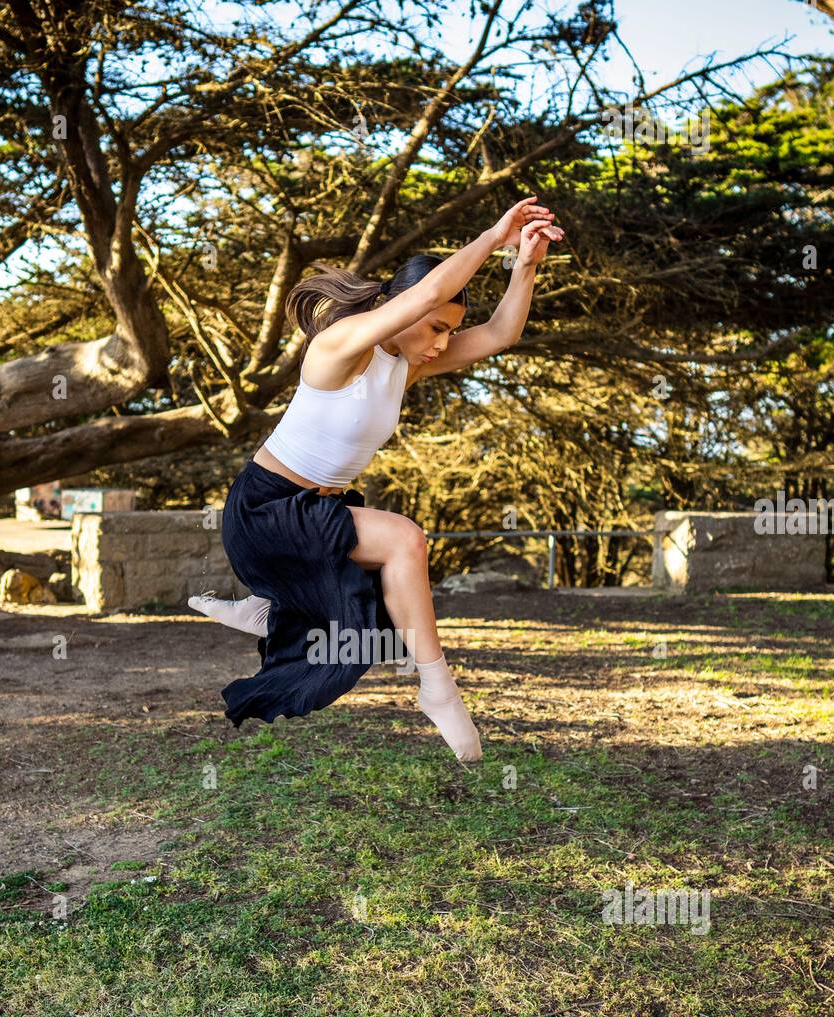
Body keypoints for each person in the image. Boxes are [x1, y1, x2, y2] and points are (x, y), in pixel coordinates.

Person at [190, 195, 564, 762]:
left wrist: (526, 265)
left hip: (309, 520)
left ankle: (274, 611)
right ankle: (438, 689)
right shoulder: (338, 348)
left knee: (376, 612)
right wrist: (494, 236)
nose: (441, 344)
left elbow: (497, 335)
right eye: (436, 328)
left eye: (446, 333)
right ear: (403, 308)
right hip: (265, 514)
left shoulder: (406, 362)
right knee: (405, 539)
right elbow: (431, 293)